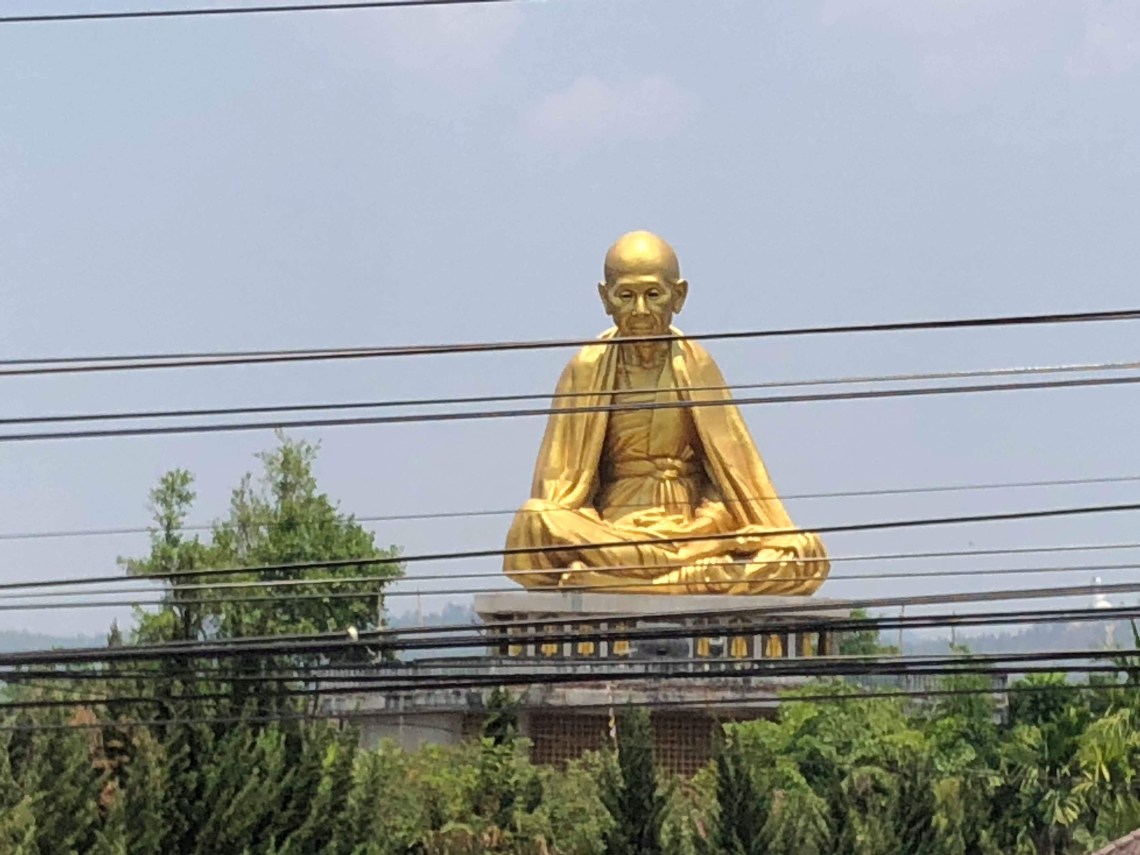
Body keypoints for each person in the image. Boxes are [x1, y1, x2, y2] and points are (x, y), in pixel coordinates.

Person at [502, 230, 829, 595]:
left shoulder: (696, 365)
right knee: (535, 519)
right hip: (613, 533)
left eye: (653, 295)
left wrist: (709, 527)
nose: (641, 311)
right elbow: (562, 487)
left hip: (690, 531)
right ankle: (676, 577)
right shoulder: (587, 368)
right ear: (605, 298)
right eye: (626, 296)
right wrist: (600, 532)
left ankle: (621, 583)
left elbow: (731, 475)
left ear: (679, 295)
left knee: (803, 553)